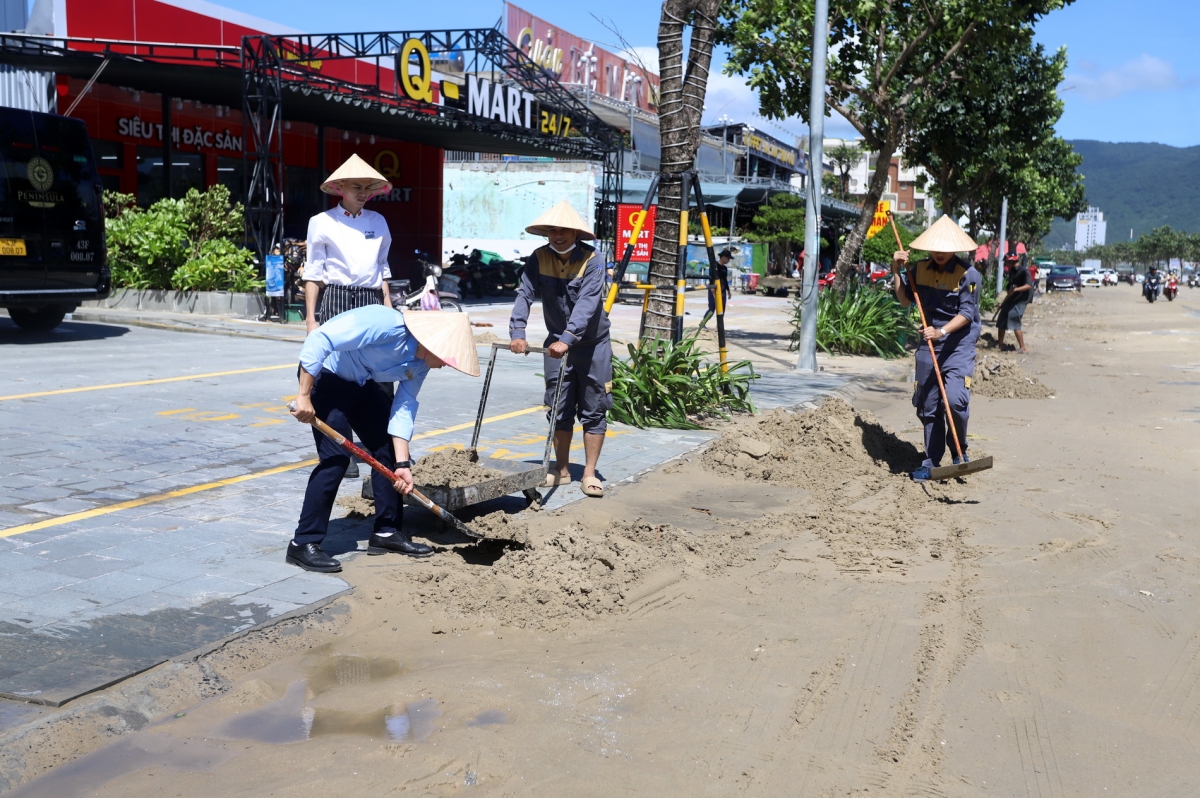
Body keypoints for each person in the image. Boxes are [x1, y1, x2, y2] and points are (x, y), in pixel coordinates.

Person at [286, 306, 480, 572]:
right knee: (336, 460)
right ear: (435, 344)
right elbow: (320, 338)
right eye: (449, 359)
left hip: (361, 385)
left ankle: (386, 533)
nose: (448, 365)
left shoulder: (421, 364)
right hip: (325, 377)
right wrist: (304, 396)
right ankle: (302, 544)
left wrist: (403, 465)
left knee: (387, 450)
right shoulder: (387, 324)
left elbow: (404, 405)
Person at [508, 200, 612, 498]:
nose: (558, 235)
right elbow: (524, 294)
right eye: (552, 230)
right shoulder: (539, 257)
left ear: (576, 233)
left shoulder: (593, 259)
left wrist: (567, 337)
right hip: (556, 345)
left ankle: (590, 473)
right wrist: (518, 331)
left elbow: (588, 303)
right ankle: (562, 469)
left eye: (564, 229)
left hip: (591, 345)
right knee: (558, 407)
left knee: (594, 409)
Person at [892, 215, 981, 482]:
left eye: (945, 248)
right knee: (927, 405)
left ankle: (959, 452)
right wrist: (896, 271)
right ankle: (931, 459)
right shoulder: (919, 269)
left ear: (955, 248)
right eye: (935, 248)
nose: (940, 253)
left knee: (954, 399)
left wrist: (941, 331)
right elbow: (905, 300)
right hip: (929, 343)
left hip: (958, 345)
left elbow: (967, 314)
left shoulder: (968, 274)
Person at [303, 154, 394, 333]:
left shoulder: (378, 221)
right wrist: (310, 320)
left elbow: (382, 266)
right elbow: (313, 272)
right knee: (335, 358)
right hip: (336, 297)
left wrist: (389, 308)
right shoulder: (321, 221)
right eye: (357, 187)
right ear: (341, 186)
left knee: (370, 358)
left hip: (370, 300)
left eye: (367, 188)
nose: (363, 193)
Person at [996, 255, 1033, 353]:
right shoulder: (1012, 271)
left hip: (1021, 300)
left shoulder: (1024, 271)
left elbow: (1029, 285)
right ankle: (1000, 344)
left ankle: (1023, 348)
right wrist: (1003, 304)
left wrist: (1016, 289)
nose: (1006, 264)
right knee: (1002, 319)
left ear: (1012, 262)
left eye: (1007, 262)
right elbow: (1011, 288)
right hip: (1012, 298)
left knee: (1013, 318)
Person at [698, 248, 733, 330]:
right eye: (728, 258)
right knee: (712, 308)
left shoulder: (725, 268)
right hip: (714, 288)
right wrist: (713, 286)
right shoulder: (715, 266)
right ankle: (702, 323)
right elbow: (711, 276)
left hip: (723, 289)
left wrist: (728, 290)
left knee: (722, 307)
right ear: (723, 257)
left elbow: (725, 279)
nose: (728, 260)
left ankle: (718, 326)